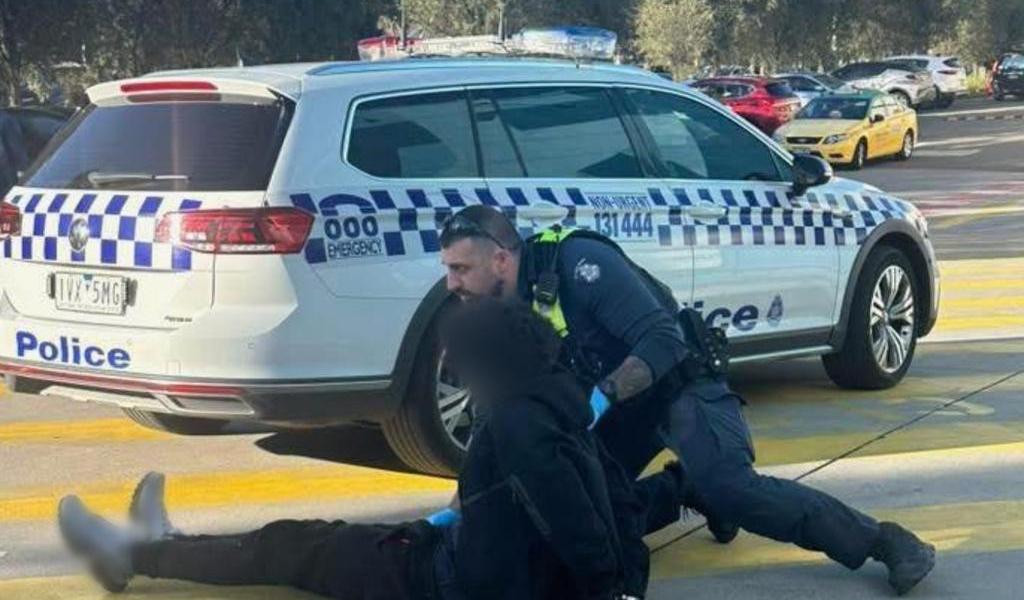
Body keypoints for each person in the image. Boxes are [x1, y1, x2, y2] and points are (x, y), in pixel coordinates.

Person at [438, 205, 936, 596]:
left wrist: (599, 399)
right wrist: (453, 512)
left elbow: (662, 340)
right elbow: (494, 416)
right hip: (618, 408)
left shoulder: (578, 262)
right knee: (590, 508)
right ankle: (682, 489)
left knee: (733, 489)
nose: (451, 283)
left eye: (460, 268)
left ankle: (881, 541)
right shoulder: (496, 310)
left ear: (500, 259)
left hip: (680, 385)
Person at [58, 299, 675, 600]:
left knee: (290, 546)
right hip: (466, 559)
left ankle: (133, 553)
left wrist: (609, 590)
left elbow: (569, 513)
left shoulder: (519, 422)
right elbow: (611, 502)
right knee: (311, 540)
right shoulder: (562, 403)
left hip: (443, 580)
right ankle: (165, 545)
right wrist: (677, 494)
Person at [0, 110, 28, 195]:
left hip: (6, 177)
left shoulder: (5, 120)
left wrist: (22, 170)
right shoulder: (5, 119)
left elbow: (16, 148)